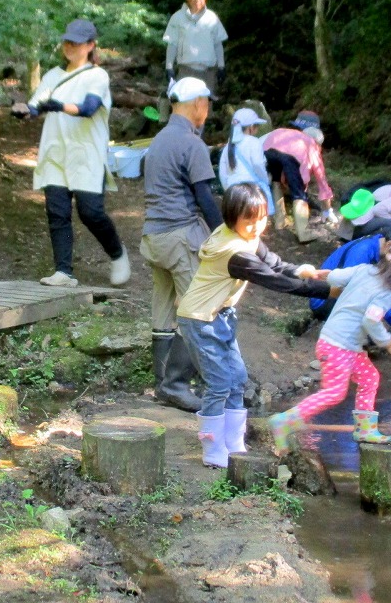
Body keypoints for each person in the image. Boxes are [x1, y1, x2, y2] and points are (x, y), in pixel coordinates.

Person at [176, 183, 333, 468]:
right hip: (199, 319)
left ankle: (234, 442)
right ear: (231, 218)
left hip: (221, 315)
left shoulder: (246, 237)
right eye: (249, 220)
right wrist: (326, 291)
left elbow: (274, 263)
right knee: (219, 383)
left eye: (261, 218)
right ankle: (212, 449)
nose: (257, 226)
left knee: (237, 379)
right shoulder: (234, 251)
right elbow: (276, 281)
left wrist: (300, 270)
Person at [268, 238, 391, 453]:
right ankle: (285, 421)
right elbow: (370, 319)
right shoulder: (386, 293)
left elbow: (336, 276)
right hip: (338, 345)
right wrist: (388, 343)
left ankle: (365, 429)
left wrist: (323, 274)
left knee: (370, 378)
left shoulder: (364, 270)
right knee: (334, 393)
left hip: (345, 345)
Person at [12, 19, 130, 289]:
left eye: (76, 43)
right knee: (57, 213)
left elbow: (88, 108)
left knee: (91, 213)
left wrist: (58, 105)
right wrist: (24, 110)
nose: (70, 47)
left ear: (90, 46)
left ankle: (117, 253)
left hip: (87, 155)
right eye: (67, 42)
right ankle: (63, 271)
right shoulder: (53, 75)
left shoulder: (97, 76)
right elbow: (36, 106)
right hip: (55, 152)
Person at [141, 77, 224, 412]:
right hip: (180, 237)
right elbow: (204, 196)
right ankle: (176, 385)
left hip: (154, 236)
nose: (208, 109)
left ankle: (162, 383)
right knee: (196, 310)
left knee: (164, 309)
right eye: (208, 103)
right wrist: (224, 235)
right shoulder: (192, 144)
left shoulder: (159, 140)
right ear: (198, 103)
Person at [308, 225, 391, 339]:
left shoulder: (378, 248)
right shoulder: (363, 252)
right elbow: (360, 292)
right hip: (324, 300)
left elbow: (380, 292)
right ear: (389, 245)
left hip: (338, 294)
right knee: (373, 329)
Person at [261, 111, 335, 243]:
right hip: (290, 156)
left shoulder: (290, 133)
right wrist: (327, 210)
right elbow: (322, 181)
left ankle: (280, 222)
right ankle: (303, 233)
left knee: (276, 182)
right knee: (299, 193)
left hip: (268, 149)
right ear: (318, 143)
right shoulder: (311, 145)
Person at [163, 0, 228, 95]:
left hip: (208, 72)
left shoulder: (212, 18)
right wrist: (169, 68)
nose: (197, 0)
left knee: (205, 103)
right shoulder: (177, 18)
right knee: (185, 101)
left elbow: (218, 44)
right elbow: (172, 44)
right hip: (185, 70)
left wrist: (221, 67)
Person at [218, 107, 275, 216]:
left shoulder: (228, 146)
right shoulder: (254, 142)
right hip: (251, 192)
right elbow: (258, 165)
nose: (257, 129)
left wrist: (229, 190)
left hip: (233, 193)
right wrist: (265, 180)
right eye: (256, 126)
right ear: (251, 127)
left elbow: (223, 174)